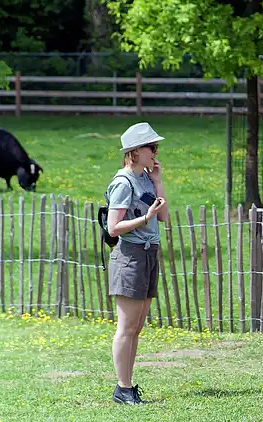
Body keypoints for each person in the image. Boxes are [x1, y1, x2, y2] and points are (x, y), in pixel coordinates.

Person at [106, 122, 169, 405]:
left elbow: (164, 216)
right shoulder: (123, 182)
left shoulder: (145, 178)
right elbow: (113, 228)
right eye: (151, 147)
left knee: (137, 326)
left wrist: (157, 181)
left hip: (147, 253)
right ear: (135, 151)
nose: (155, 151)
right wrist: (145, 219)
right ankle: (123, 387)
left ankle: (128, 387)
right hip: (130, 256)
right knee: (127, 327)